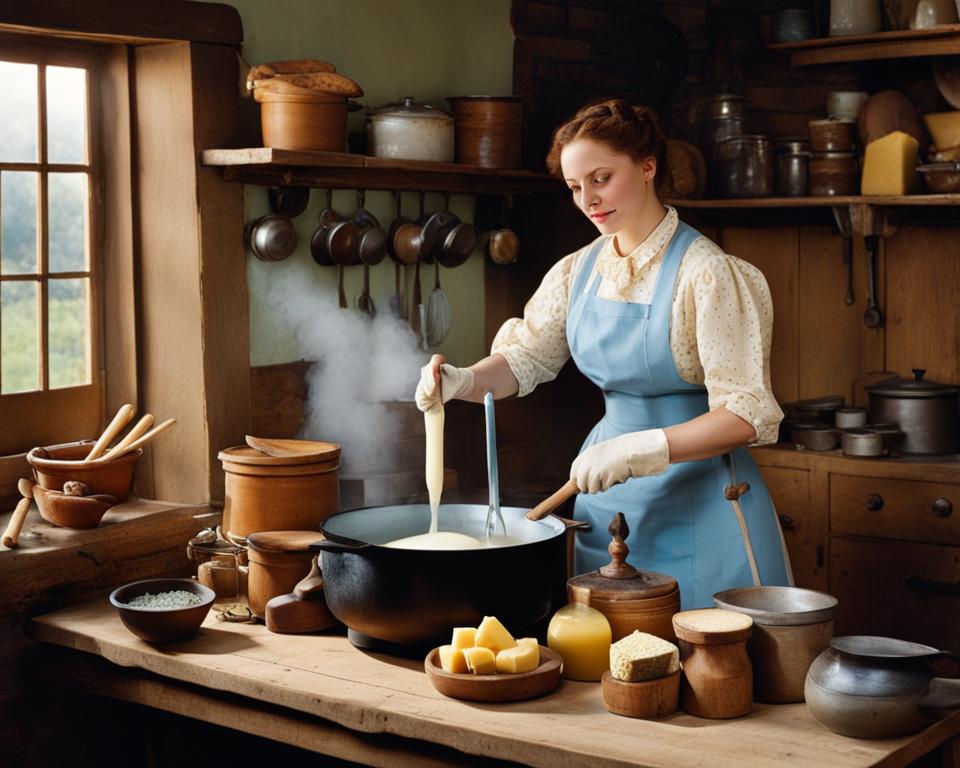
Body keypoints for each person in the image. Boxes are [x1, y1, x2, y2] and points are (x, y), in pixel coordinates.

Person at [415, 98, 792, 608]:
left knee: (705, 667)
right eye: (575, 187)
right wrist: (464, 381)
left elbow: (746, 415)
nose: (589, 199)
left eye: (601, 178)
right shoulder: (577, 270)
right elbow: (525, 359)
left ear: (647, 167)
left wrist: (643, 449)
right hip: (605, 489)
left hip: (703, 498)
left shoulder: (707, 273)